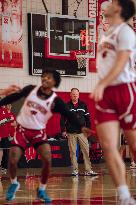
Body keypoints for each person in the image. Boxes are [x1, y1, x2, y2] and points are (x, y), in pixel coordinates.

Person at [0, 69, 90, 203]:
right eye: (45, 77)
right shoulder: (31, 89)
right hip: (23, 130)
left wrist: (82, 126)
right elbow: (15, 97)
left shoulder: (56, 100)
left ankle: (41, 189)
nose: (46, 80)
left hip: (38, 133)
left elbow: (69, 114)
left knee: (47, 158)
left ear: (54, 83)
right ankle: (14, 184)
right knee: (13, 158)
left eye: (50, 78)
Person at [91, 0, 136, 204]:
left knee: (134, 147)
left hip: (124, 90)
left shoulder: (125, 31)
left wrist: (102, 84)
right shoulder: (107, 33)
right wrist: (101, 84)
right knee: (108, 145)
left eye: (112, 2)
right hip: (106, 92)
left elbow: (120, 63)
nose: (106, 4)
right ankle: (125, 196)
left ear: (118, 9)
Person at [60, 88, 98, 176]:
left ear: (79, 95)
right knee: (73, 152)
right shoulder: (66, 106)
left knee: (86, 151)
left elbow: (88, 119)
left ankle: (88, 170)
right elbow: (62, 119)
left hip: (82, 133)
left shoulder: (83, 105)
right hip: (71, 133)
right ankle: (75, 170)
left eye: (76, 94)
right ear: (70, 95)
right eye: (73, 94)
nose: (75, 96)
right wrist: (63, 130)